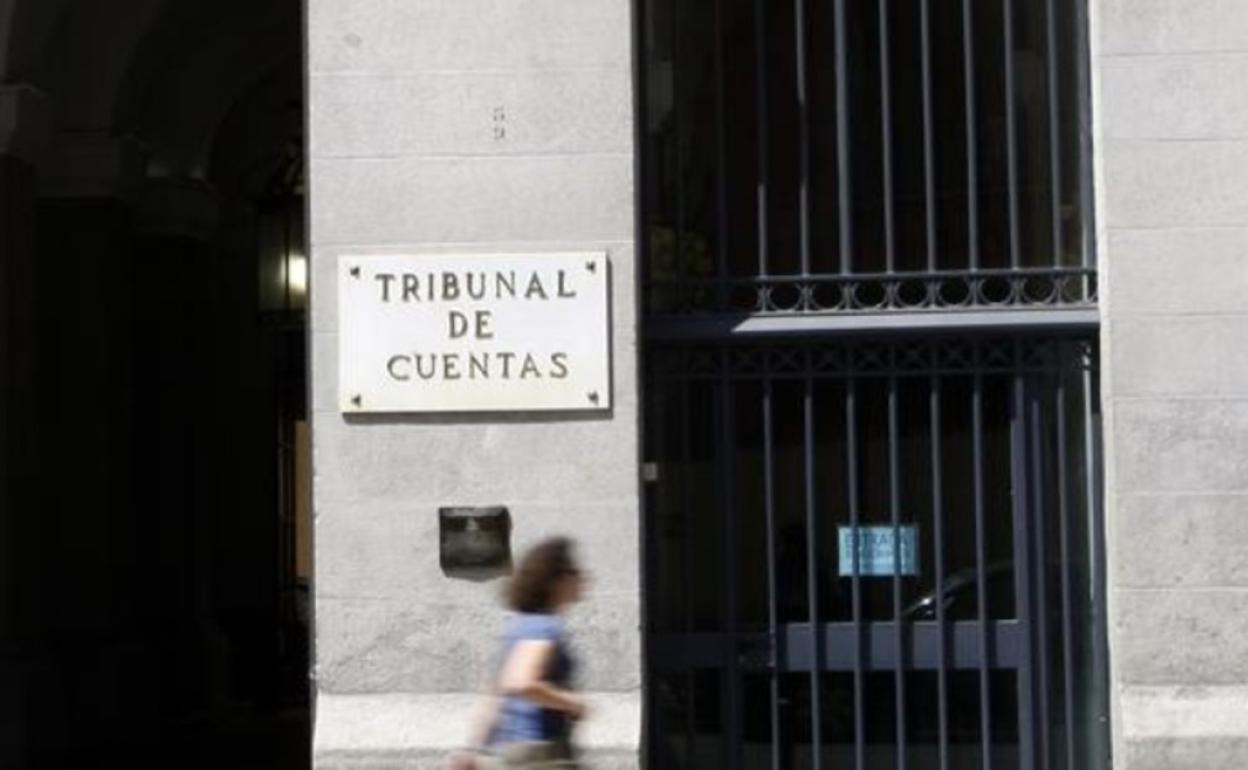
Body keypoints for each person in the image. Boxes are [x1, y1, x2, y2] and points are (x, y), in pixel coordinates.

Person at [450, 537, 587, 769]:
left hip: (512, 750)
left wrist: (472, 749)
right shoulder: (544, 626)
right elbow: (522, 683)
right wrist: (573, 704)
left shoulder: (520, 626)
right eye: (575, 571)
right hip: (541, 753)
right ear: (558, 579)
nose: (583, 578)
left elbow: (494, 695)